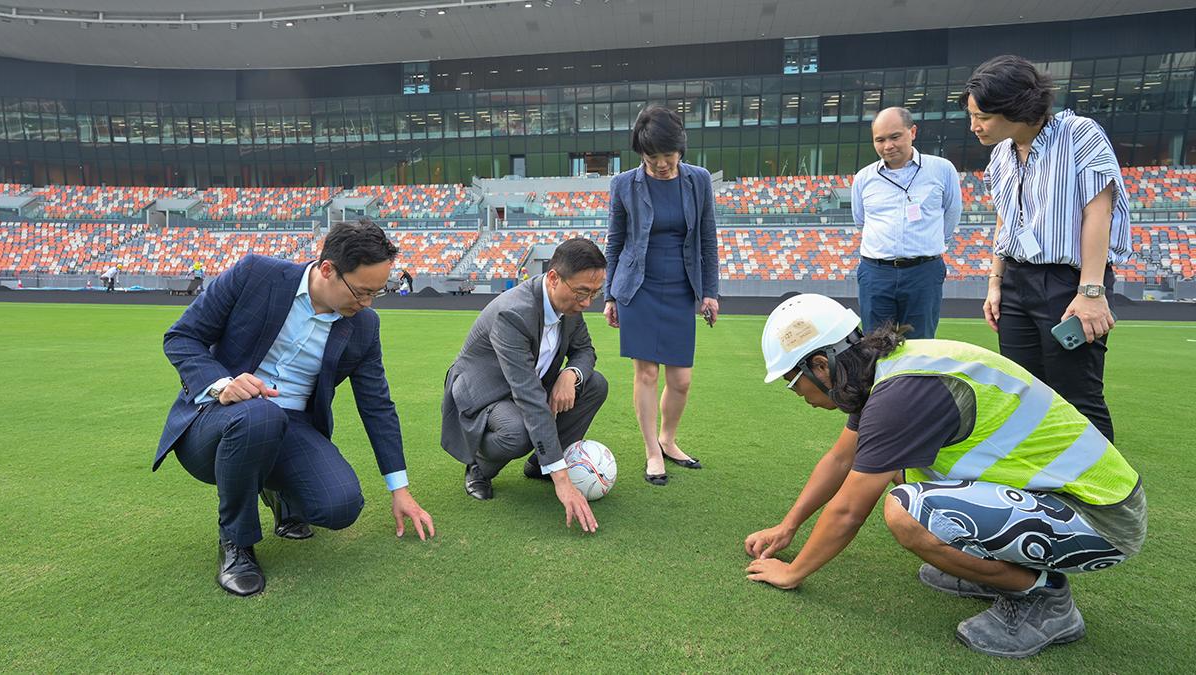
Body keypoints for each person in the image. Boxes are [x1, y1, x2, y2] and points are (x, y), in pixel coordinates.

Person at [744, 294, 1145, 658]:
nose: (798, 396)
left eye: (793, 383)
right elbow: (840, 459)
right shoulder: (879, 374)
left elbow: (849, 511)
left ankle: (1045, 599)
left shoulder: (899, 395)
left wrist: (793, 572)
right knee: (902, 471)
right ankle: (994, 569)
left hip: (1103, 517)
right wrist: (788, 526)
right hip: (1064, 499)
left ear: (820, 365)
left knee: (907, 511)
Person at [155, 219, 435, 597]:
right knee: (261, 414)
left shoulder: (364, 326)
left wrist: (399, 488)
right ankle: (235, 542)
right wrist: (223, 384)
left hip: (294, 426)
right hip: (218, 420)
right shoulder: (256, 274)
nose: (367, 303)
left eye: (377, 294)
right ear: (327, 270)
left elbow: (377, 405)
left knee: (342, 506)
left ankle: (276, 491)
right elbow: (181, 336)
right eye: (362, 292)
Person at [961, 54, 1130, 442]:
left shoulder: (1078, 134)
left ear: (1015, 108)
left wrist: (1091, 291)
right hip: (1017, 281)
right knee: (1023, 395)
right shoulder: (1001, 154)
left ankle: (1103, 500)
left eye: (982, 116)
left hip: (1067, 284)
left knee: (1077, 398)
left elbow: (1098, 212)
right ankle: (1038, 495)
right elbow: (1006, 219)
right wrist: (995, 282)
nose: (974, 126)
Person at [441, 237, 609, 532]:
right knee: (518, 431)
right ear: (554, 278)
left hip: (526, 384)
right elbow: (529, 397)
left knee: (594, 384)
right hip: (485, 391)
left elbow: (585, 351)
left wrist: (570, 375)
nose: (586, 303)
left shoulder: (570, 307)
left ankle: (539, 465)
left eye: (595, 294)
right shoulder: (513, 312)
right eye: (582, 292)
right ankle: (479, 467)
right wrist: (563, 479)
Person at [603, 104, 719, 486]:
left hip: (682, 287)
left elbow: (707, 239)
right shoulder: (623, 184)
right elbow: (615, 242)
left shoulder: (699, 180)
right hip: (638, 287)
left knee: (681, 378)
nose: (662, 165)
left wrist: (710, 293)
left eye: (668, 156)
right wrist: (609, 295)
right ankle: (653, 450)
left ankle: (669, 439)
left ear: (680, 149)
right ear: (641, 154)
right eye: (653, 158)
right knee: (647, 372)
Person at [851, 107, 962, 338]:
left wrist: (927, 247)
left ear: (912, 131)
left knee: (920, 347)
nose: (888, 146)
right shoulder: (864, 178)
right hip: (876, 273)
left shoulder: (941, 169)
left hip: (923, 272)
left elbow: (951, 213)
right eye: (879, 140)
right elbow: (860, 220)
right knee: (875, 348)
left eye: (895, 137)